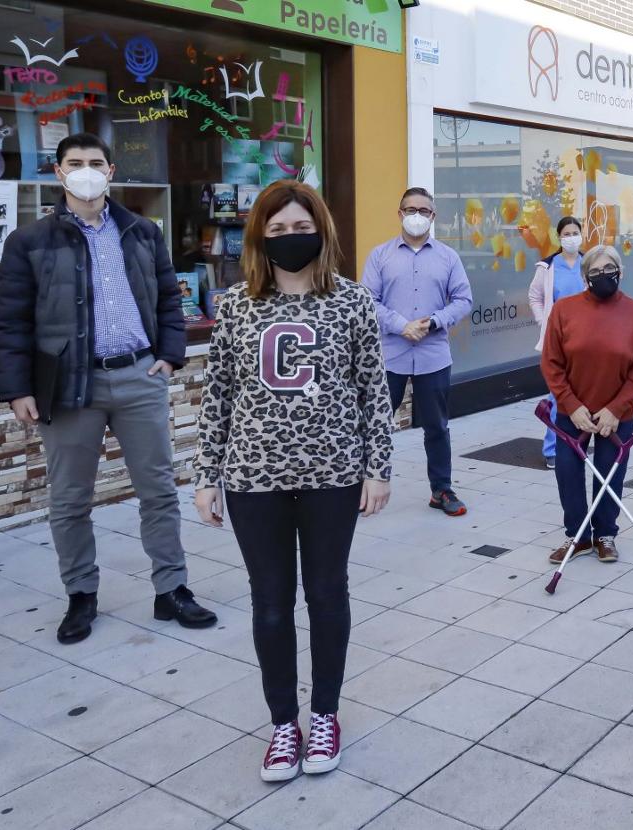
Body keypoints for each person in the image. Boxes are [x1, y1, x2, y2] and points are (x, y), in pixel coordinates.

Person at [193, 180, 393, 781]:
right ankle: (284, 723)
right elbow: (219, 397)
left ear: (321, 230)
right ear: (259, 236)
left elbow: (372, 392)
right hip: (254, 479)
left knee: (327, 594)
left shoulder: (353, 302)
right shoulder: (234, 307)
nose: (289, 237)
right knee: (271, 604)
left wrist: (377, 466)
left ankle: (325, 714)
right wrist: (207, 475)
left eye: (298, 226)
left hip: (334, 474)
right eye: (276, 230)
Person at [0, 132, 216, 645]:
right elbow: (12, 323)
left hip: (139, 376)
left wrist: (169, 354)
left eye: (96, 162)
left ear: (111, 172)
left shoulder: (141, 231)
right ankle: (81, 594)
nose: (87, 171)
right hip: (69, 383)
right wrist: (17, 388)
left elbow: (167, 296)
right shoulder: (29, 241)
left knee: (158, 490)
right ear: (59, 172)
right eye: (76, 163)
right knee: (71, 498)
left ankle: (172, 589)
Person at [541, 244, 633, 565]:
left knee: (609, 473)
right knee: (567, 472)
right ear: (584, 277)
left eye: (609, 270)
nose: (603, 276)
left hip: (616, 414)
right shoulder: (564, 310)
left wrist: (616, 408)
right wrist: (571, 405)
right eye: (595, 272)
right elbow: (552, 363)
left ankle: (605, 534)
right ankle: (576, 537)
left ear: (621, 272)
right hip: (571, 411)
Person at [362, 187, 472, 516]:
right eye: (410, 209)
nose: (417, 216)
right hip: (389, 355)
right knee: (376, 423)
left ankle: (442, 490)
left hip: (433, 355)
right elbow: (367, 300)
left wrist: (435, 322)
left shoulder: (448, 257)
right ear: (399, 214)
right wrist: (401, 325)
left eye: (424, 211)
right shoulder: (380, 256)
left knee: (436, 426)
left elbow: (463, 299)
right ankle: (363, 486)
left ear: (433, 217)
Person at [528, 217, 585, 469]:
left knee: (583, 393)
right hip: (558, 339)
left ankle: (578, 444)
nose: (571, 237)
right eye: (567, 233)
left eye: (575, 232)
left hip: (586, 339)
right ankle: (552, 449)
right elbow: (535, 296)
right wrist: (544, 321)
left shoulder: (589, 263)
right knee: (557, 394)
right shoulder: (548, 266)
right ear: (559, 238)